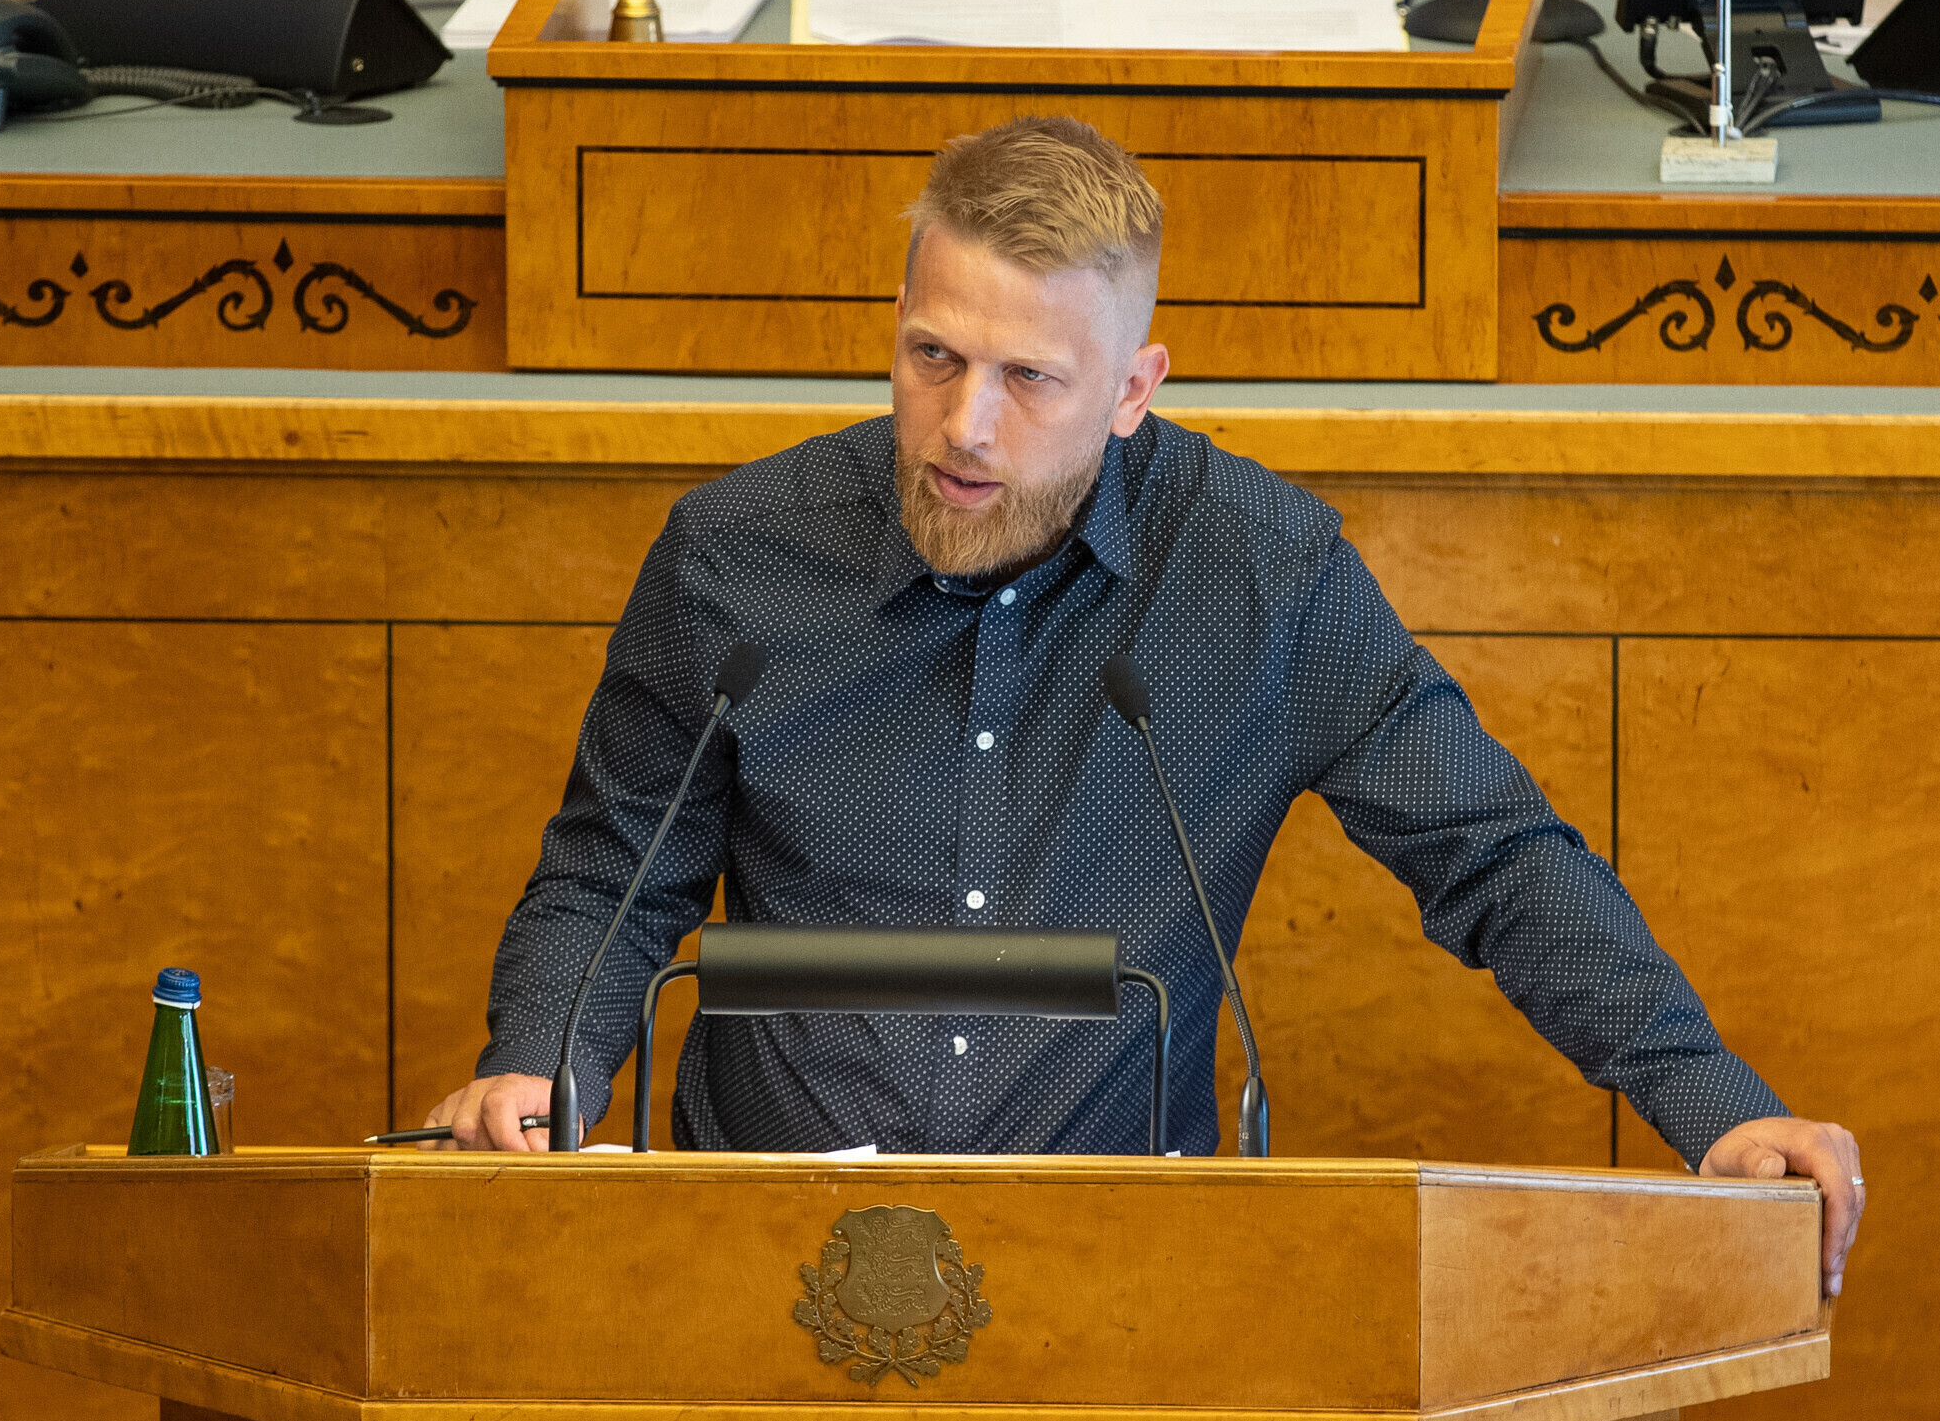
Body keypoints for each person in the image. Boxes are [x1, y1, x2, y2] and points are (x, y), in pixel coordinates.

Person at [424, 117, 1865, 1300]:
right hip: (750, 1263)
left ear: (1132, 388)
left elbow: (1496, 856)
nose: (966, 426)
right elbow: (612, 871)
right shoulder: (736, 558)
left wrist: (1714, 1105)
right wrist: (539, 1064)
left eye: (1029, 379)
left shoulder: (1262, 575)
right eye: (934, 356)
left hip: (1124, 1280)